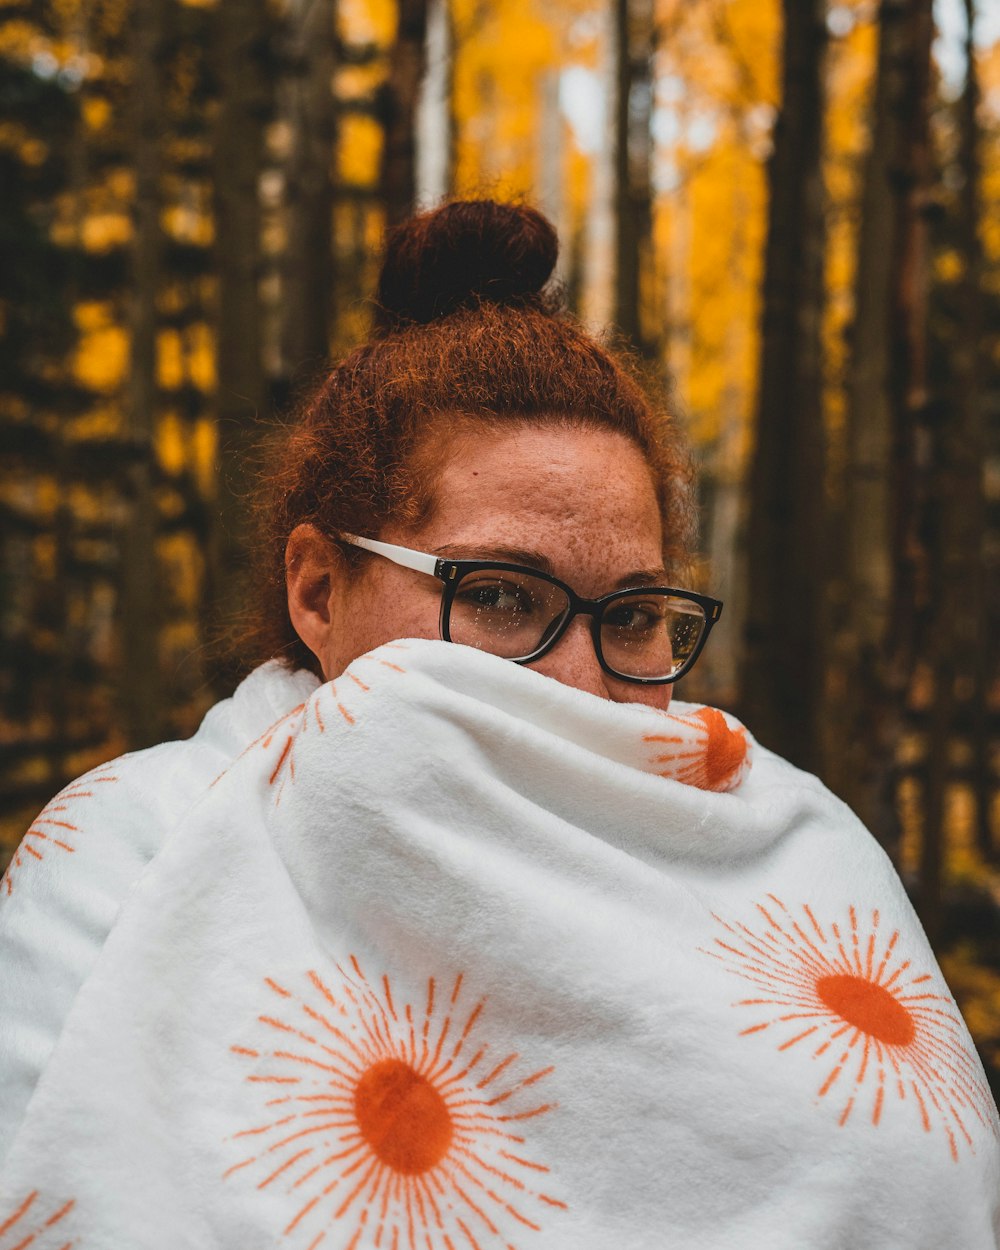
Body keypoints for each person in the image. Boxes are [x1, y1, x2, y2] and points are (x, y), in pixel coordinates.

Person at [0, 200, 997, 1250]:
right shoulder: (131, 846)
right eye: (502, 595)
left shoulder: (787, 844)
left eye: (634, 615)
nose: (574, 684)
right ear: (318, 591)